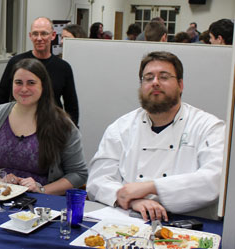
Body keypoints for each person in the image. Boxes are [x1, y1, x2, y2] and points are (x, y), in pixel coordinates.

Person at [87, 51, 225, 221]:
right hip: (130, 220)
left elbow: (214, 181)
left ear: (180, 85)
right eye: (148, 77)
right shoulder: (121, 128)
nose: (155, 83)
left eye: (164, 77)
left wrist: (151, 187)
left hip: (191, 225)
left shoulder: (208, 126)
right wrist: (132, 200)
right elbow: (98, 180)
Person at [0, 58, 87, 195]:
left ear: (43, 86)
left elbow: (78, 174)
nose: (24, 89)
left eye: (31, 83)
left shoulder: (62, 124)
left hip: (40, 204)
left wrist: (41, 190)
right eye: (18, 82)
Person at [0, 17, 79, 126]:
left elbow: (71, 106)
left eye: (44, 33)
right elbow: (2, 97)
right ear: (30, 36)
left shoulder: (63, 68)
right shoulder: (16, 63)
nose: (39, 38)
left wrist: (71, 131)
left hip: (52, 126)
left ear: (53, 35)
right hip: (19, 124)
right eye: (35, 34)